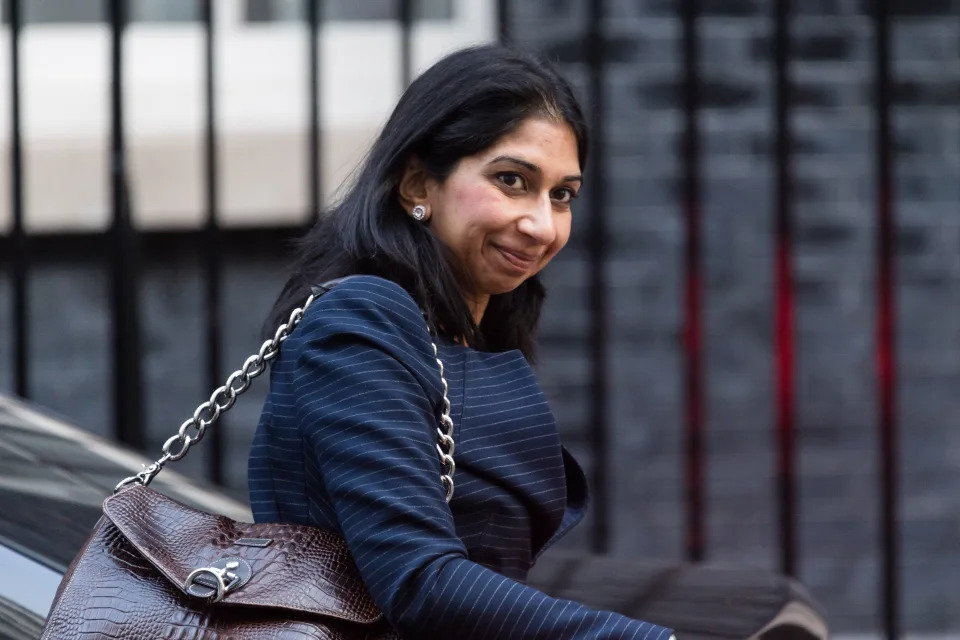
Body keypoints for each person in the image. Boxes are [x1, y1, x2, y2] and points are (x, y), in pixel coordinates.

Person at [248, 44, 675, 639]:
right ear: (418, 182)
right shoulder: (360, 321)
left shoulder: (465, 332)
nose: (542, 225)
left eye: (562, 195)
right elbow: (418, 580)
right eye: (512, 180)